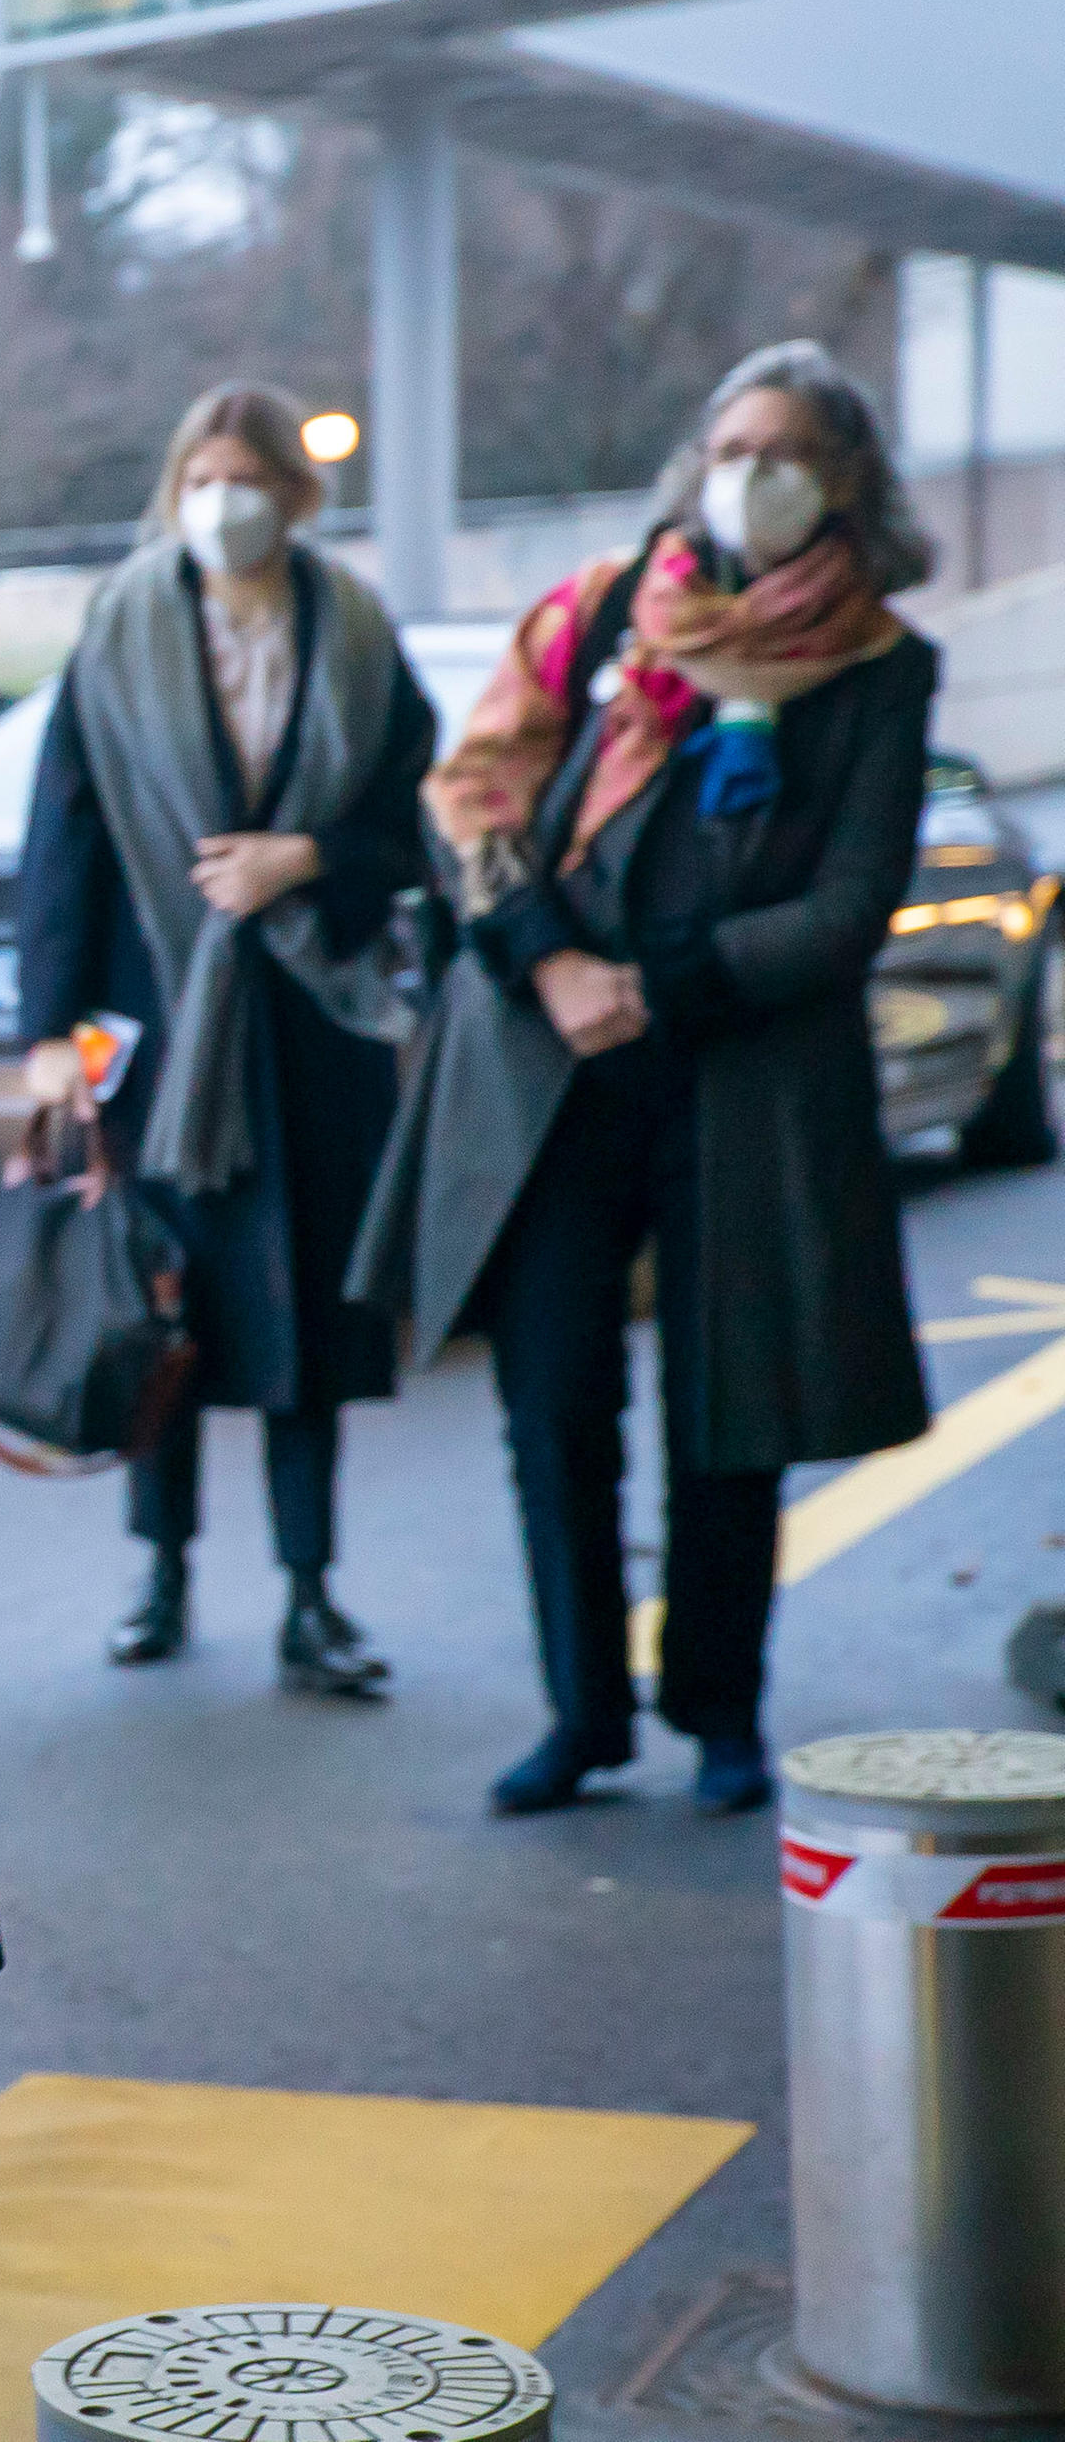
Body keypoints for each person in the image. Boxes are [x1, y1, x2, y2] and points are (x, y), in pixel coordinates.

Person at [354, 339, 938, 1818]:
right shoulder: (604, 608)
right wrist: (553, 962)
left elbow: (853, 903)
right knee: (551, 1395)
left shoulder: (878, 664)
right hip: (554, 1063)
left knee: (728, 1409)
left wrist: (661, 983)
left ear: (847, 482)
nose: (756, 475)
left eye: (791, 451)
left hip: (740, 1075)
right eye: (735, 445)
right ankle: (582, 1713)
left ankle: (720, 1709)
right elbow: (472, 789)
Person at [14, 383, 434, 1695]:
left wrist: (302, 856)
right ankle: (163, 1573)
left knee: (305, 1314)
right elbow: (64, 843)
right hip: (154, 1026)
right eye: (202, 476)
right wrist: (52, 1036)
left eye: (247, 477)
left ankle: (313, 1595)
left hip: (310, 1022)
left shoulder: (355, 628)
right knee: (164, 1308)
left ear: (296, 496)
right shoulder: (122, 627)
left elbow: (410, 829)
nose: (223, 500)